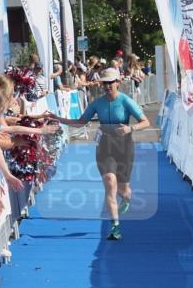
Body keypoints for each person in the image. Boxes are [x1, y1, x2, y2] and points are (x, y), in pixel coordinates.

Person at [52, 67, 149, 241]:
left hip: (124, 147)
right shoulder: (97, 103)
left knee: (124, 190)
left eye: (110, 82)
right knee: (110, 182)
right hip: (105, 146)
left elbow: (145, 121)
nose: (107, 86)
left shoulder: (126, 101)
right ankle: (115, 226)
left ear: (118, 82)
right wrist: (58, 119)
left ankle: (126, 199)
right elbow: (81, 121)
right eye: (104, 83)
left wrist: (130, 127)